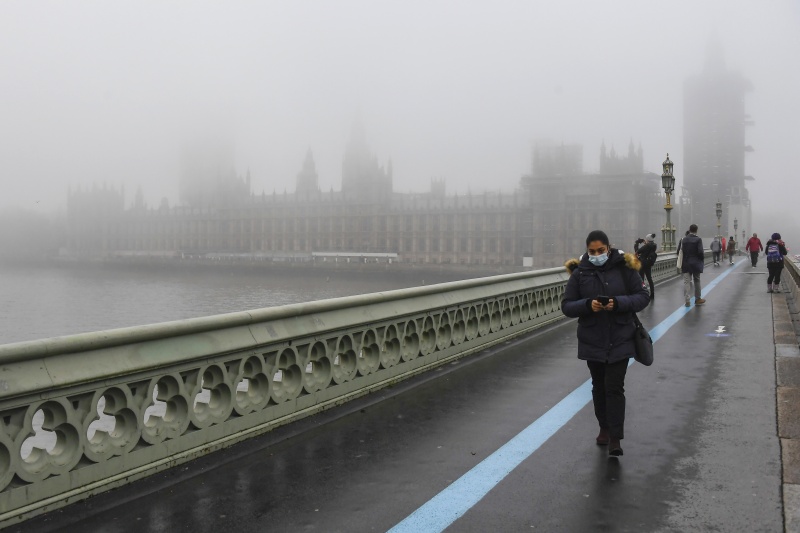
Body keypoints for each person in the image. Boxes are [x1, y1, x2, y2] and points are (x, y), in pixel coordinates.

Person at [562, 230, 650, 457]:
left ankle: (615, 437)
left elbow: (642, 297)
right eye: (592, 252)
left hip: (621, 336)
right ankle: (603, 426)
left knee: (614, 386)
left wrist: (617, 303)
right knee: (599, 386)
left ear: (608, 248)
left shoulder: (625, 268)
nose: (597, 255)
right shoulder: (580, 272)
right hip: (593, 338)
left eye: (601, 251)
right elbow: (567, 306)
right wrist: (588, 305)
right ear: (587, 251)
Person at [681, 224, 706, 307]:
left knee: (686, 282)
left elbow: (682, 251)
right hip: (695, 262)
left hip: (686, 263)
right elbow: (700, 252)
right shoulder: (698, 239)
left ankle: (687, 300)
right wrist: (700, 260)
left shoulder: (684, 239)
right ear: (696, 230)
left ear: (689, 230)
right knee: (697, 280)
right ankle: (698, 299)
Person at [636, 233, 657, 299]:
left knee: (641, 279)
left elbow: (637, 251)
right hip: (648, 263)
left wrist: (636, 243)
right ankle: (652, 293)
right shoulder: (654, 245)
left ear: (648, 239)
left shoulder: (647, 246)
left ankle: (643, 293)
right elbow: (647, 250)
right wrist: (645, 243)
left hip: (643, 263)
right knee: (649, 279)